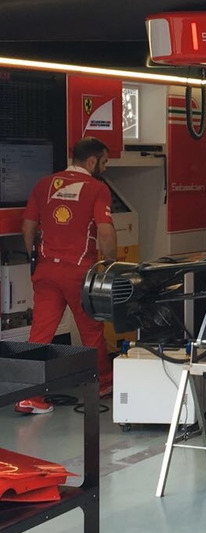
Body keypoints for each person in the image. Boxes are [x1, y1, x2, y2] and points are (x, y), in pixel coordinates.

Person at [15, 137, 117, 414]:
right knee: (92, 330)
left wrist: (35, 258)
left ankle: (30, 397)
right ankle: (103, 384)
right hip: (80, 272)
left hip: (46, 269)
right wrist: (111, 266)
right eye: (105, 162)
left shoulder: (43, 184)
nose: (106, 168)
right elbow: (105, 232)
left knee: (40, 332)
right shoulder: (97, 189)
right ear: (92, 161)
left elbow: (28, 226)